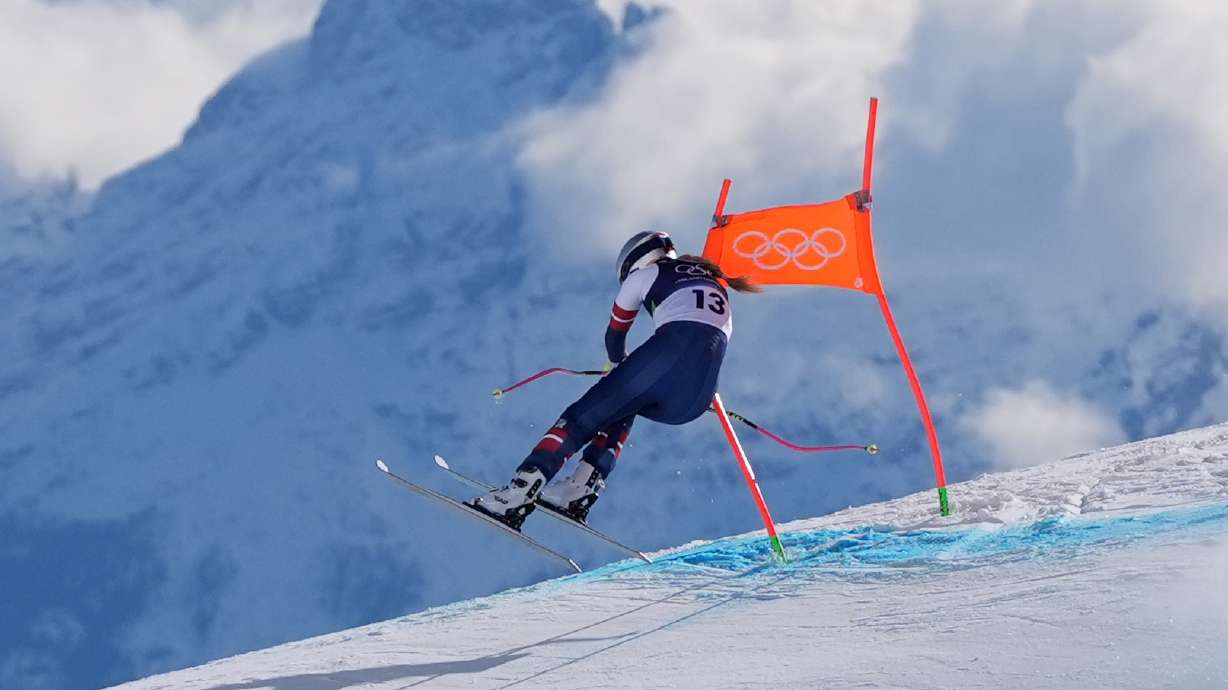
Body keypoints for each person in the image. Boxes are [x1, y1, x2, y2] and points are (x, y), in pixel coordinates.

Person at [470, 230, 760, 529]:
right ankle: (580, 488)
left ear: (635, 260)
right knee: (623, 404)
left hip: (665, 361)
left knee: (580, 418)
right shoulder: (715, 284)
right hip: (696, 400)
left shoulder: (648, 273)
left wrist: (615, 366)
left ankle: (517, 494)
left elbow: (616, 333)